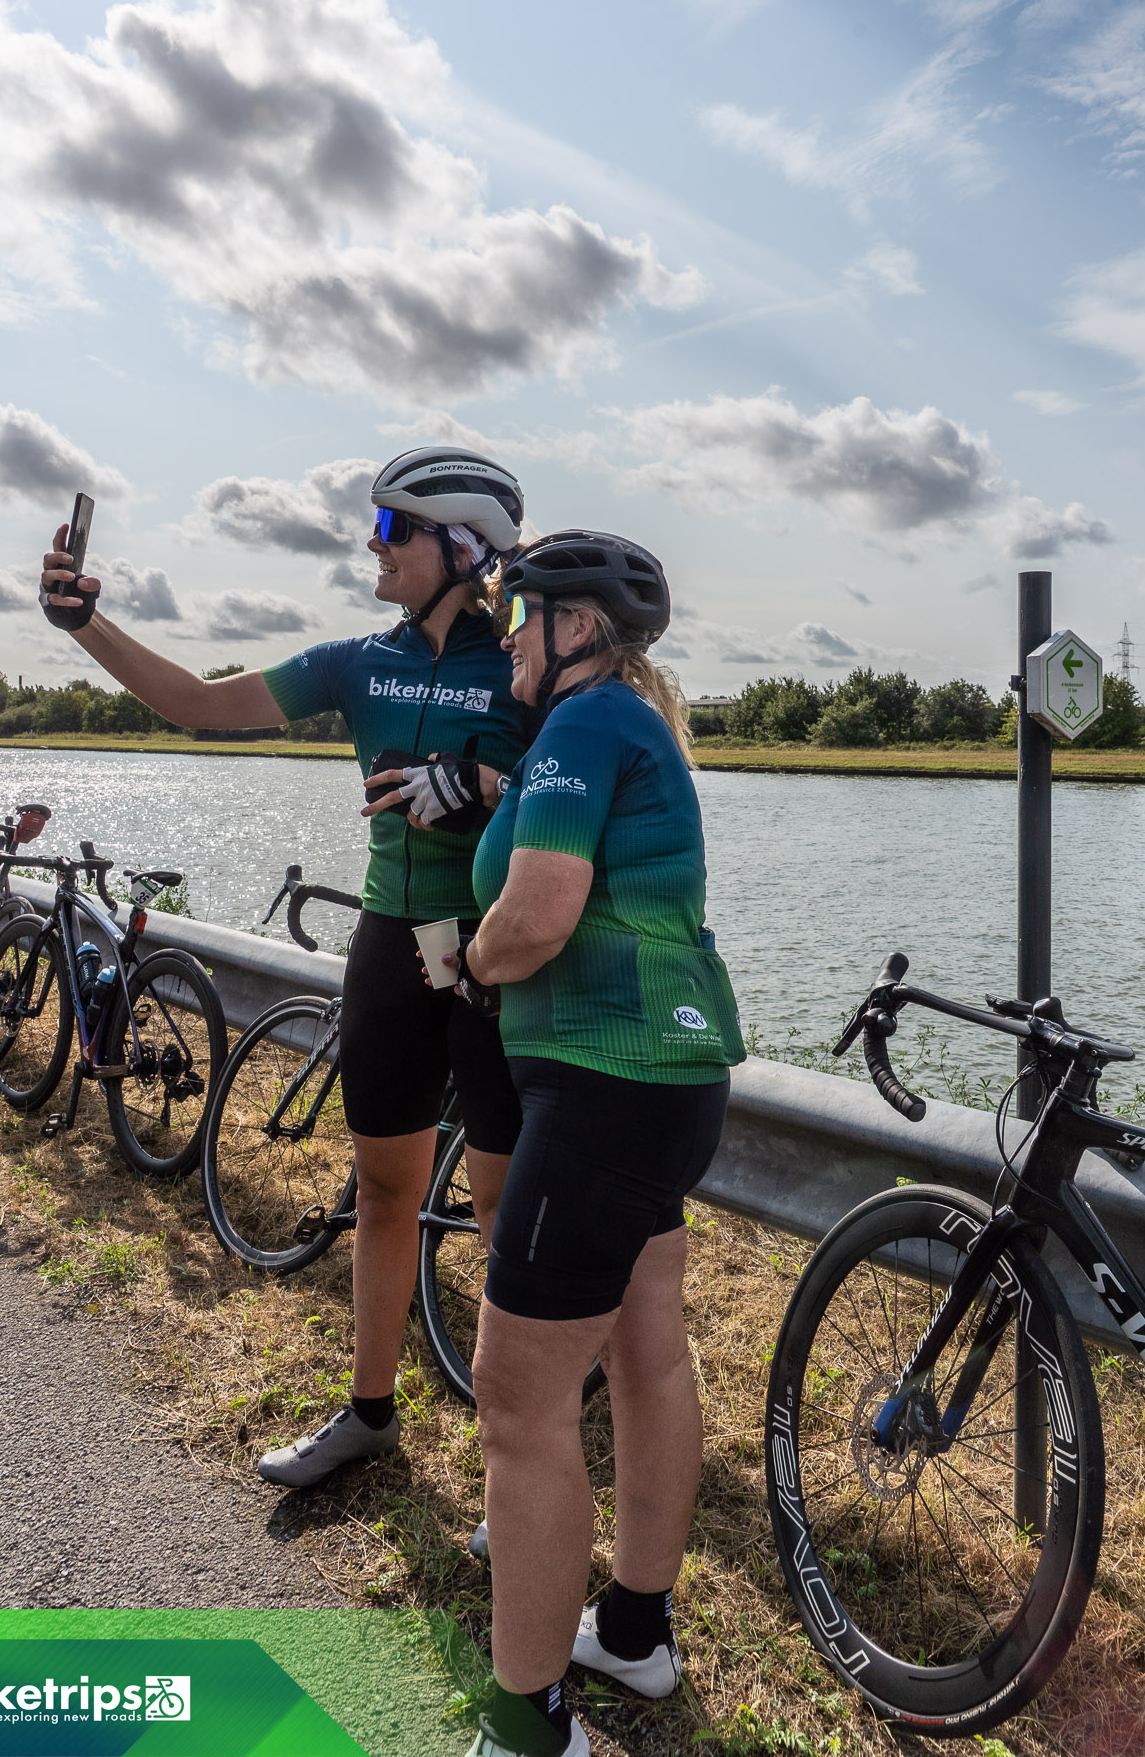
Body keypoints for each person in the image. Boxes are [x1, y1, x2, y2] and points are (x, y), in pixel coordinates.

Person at [39, 446, 531, 1485]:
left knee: (501, 1215)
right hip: (393, 951)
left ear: (463, 546)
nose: (373, 542)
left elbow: (589, 777)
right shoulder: (361, 660)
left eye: (394, 527)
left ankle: (515, 1464)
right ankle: (367, 1412)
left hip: (494, 958)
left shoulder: (526, 665)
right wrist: (86, 623)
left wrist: (483, 778)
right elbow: (199, 703)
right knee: (385, 1191)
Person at [452, 531, 745, 1757]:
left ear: (578, 627)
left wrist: (466, 961)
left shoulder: (579, 728)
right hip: (669, 1079)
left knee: (520, 1399)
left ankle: (529, 1727)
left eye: (523, 615)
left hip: (600, 1081)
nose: (510, 634)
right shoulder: (631, 725)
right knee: (642, 1348)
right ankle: (631, 1627)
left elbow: (535, 913)